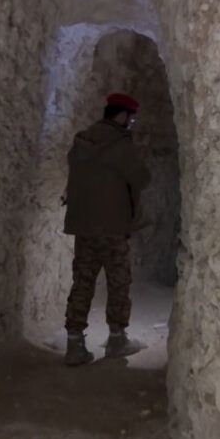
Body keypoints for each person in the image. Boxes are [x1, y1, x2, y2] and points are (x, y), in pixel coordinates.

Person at [61, 93, 152, 366]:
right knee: (118, 282)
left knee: (82, 282)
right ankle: (117, 340)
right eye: (131, 119)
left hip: (84, 226)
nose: (131, 124)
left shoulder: (81, 143)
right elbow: (142, 178)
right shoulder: (120, 145)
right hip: (112, 227)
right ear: (122, 115)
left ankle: (74, 344)